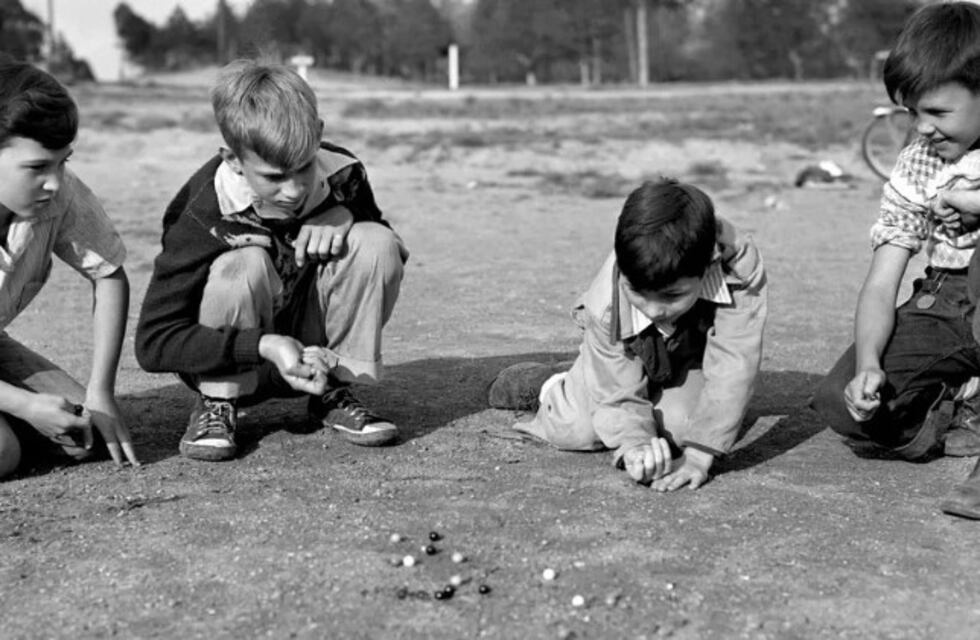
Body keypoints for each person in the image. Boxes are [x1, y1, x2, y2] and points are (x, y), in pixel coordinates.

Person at [135, 59, 407, 461]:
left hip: (312, 358)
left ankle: (331, 388)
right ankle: (217, 403)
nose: (295, 190)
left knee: (377, 243)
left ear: (318, 135)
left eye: (304, 168)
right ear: (232, 159)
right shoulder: (202, 211)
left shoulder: (343, 175)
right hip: (238, 355)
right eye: (274, 178)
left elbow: (379, 246)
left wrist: (345, 216)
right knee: (241, 266)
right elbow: (154, 342)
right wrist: (260, 344)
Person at [810, 2, 980, 519]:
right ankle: (959, 402)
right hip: (948, 299)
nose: (921, 127)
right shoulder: (918, 162)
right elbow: (883, 283)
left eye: (937, 113)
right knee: (842, 403)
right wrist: (866, 368)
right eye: (911, 112)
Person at [488, 179, 767, 490]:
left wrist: (700, 454)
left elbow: (735, 358)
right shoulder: (605, 303)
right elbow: (618, 396)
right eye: (637, 293)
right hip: (619, 353)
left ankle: (625, 383)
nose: (653, 309)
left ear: (707, 267)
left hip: (689, 353)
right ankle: (553, 383)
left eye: (672, 295)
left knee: (687, 428)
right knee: (577, 430)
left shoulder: (739, 265)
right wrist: (636, 444)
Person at [0, 59, 138, 478]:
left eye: (62, 162)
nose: (55, 182)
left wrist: (101, 392)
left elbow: (108, 273)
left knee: (85, 434)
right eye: (37, 167)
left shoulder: (58, 192)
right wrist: (24, 404)